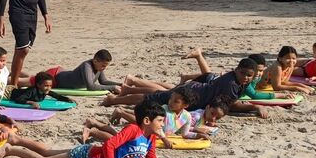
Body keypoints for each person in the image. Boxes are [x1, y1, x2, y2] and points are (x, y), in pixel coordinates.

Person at [0, 100, 195, 158]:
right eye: (160, 120)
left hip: (91, 156)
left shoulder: (150, 138)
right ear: (147, 121)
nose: (162, 124)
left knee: (47, 150)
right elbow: (109, 146)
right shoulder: (133, 130)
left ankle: (15, 139)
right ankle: (12, 149)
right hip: (88, 156)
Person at [103, 58, 267, 118]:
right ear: (236, 70)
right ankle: (114, 100)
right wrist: (255, 106)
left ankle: (121, 95)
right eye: (243, 73)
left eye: (249, 76)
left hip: (195, 91)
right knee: (151, 99)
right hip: (191, 93)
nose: (245, 77)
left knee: (158, 95)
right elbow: (232, 105)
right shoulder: (231, 84)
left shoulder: (239, 82)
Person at [45, 50, 119, 92]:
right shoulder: (87, 66)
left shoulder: (99, 67)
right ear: (95, 61)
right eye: (103, 66)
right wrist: (112, 87)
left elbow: (103, 81)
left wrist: (120, 85)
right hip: (54, 77)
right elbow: (90, 87)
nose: (104, 68)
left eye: (105, 66)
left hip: (64, 74)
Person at [5, 72, 73, 108]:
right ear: (38, 85)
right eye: (46, 86)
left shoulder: (45, 90)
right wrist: (31, 102)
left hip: (15, 90)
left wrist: (67, 99)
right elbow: (19, 99)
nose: (48, 88)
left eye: (50, 86)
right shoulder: (32, 91)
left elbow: (57, 96)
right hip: (8, 93)